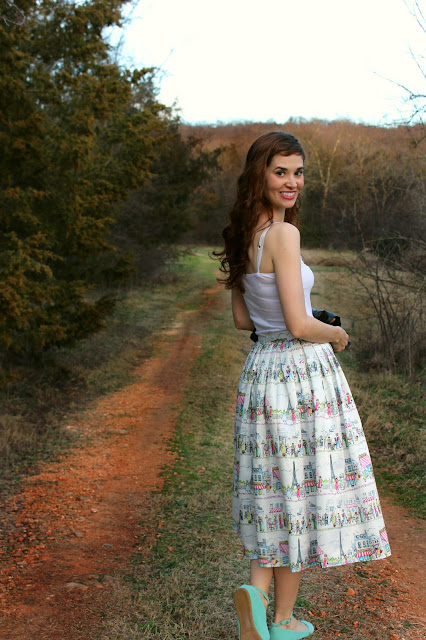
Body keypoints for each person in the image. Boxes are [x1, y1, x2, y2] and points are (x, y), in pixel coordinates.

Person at [214, 132, 391, 640]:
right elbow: (297, 323)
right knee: (298, 492)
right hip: (297, 373)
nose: (293, 182)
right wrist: (336, 334)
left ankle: (256, 597)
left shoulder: (244, 235)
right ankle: (283, 619)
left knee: (274, 491)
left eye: (299, 172)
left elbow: (243, 319)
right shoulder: (284, 235)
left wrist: (287, 318)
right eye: (281, 172)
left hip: (261, 371)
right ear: (260, 174)